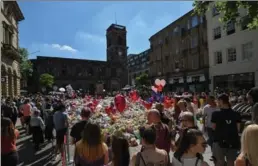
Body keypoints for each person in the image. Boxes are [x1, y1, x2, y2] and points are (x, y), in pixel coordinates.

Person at [211, 93, 241, 166]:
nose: (216, 103)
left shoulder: (216, 114)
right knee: (231, 162)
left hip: (219, 141)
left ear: (221, 101)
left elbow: (213, 127)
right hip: (233, 141)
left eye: (217, 101)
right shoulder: (236, 114)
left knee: (219, 162)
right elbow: (238, 129)